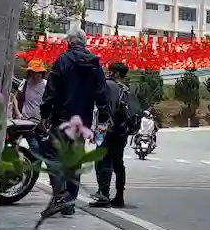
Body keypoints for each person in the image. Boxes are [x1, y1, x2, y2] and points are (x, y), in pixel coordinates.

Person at [38, 26, 108, 218]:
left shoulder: (62, 60)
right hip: (83, 121)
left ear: (68, 42)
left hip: (62, 118)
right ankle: (69, 204)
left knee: (52, 155)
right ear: (85, 43)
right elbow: (101, 94)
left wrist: (45, 113)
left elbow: (51, 90)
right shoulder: (94, 63)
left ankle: (61, 196)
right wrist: (103, 118)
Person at [90, 62, 139, 208]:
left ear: (116, 73)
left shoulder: (107, 85)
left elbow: (99, 105)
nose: (107, 72)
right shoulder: (127, 89)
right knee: (118, 164)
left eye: (110, 70)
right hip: (122, 131)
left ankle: (103, 195)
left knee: (102, 161)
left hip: (105, 129)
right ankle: (119, 197)